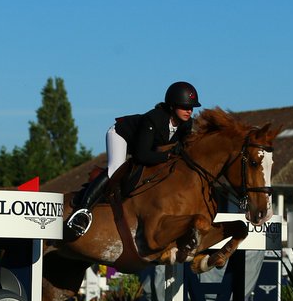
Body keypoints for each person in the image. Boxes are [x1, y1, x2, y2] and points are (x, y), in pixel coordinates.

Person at [66, 80, 201, 237]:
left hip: (145, 145)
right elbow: (141, 155)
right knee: (116, 167)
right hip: (121, 135)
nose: (189, 111)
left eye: (191, 107)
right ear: (172, 106)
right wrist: (168, 155)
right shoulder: (153, 119)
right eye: (184, 107)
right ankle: (82, 210)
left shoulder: (186, 124)